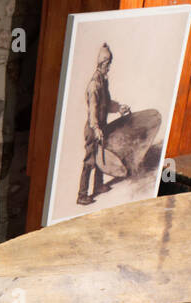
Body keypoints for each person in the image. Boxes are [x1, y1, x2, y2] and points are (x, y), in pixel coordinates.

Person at [78, 43, 131, 205]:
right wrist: (96, 129)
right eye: (108, 65)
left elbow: (106, 103)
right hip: (93, 128)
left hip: (101, 126)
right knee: (90, 161)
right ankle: (81, 195)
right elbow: (93, 110)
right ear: (102, 64)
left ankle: (99, 185)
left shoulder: (103, 81)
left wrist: (119, 108)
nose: (109, 68)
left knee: (101, 154)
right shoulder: (94, 85)